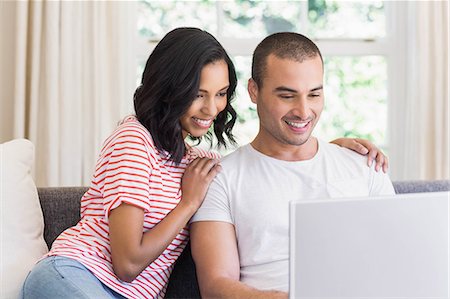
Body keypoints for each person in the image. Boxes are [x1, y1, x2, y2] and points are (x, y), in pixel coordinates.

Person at [21, 28, 386, 299]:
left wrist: (334, 152)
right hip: (76, 278)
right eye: (198, 94)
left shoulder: (202, 162)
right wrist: (188, 204)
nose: (212, 108)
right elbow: (127, 263)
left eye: (221, 94)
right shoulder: (135, 139)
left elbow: (279, 160)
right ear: (172, 88)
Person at [190, 32, 395, 299]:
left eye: (314, 95)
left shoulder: (365, 166)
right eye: (287, 96)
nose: (303, 111)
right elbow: (216, 286)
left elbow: (394, 260)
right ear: (254, 91)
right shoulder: (220, 179)